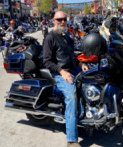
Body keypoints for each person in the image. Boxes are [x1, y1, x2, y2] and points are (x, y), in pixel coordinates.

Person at [43, 11, 88, 147]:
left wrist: (81, 64)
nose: (63, 22)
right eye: (59, 19)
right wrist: (62, 72)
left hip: (73, 69)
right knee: (71, 97)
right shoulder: (50, 38)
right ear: (54, 21)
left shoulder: (67, 37)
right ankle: (72, 140)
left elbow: (72, 56)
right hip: (59, 73)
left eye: (65, 19)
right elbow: (47, 61)